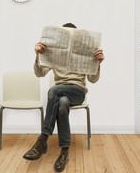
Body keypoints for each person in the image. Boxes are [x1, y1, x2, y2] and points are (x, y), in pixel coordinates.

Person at [23, 23, 105, 172]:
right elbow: (39, 73)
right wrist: (37, 55)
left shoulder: (84, 52)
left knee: (54, 90)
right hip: (60, 94)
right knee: (61, 103)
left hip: (77, 92)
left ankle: (42, 140)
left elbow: (93, 80)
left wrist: (98, 64)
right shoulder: (55, 53)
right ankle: (64, 152)